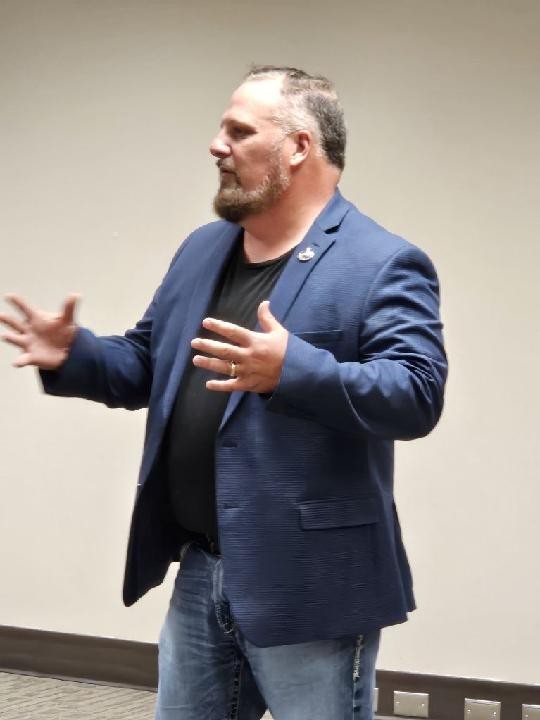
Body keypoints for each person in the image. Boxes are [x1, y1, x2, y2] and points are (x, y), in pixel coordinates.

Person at [0, 66, 447, 720]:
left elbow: (416, 391)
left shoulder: (380, 261)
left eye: (239, 131)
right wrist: (78, 355)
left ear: (298, 147)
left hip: (311, 585)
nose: (217, 145)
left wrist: (292, 370)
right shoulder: (203, 249)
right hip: (202, 569)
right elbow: (149, 363)